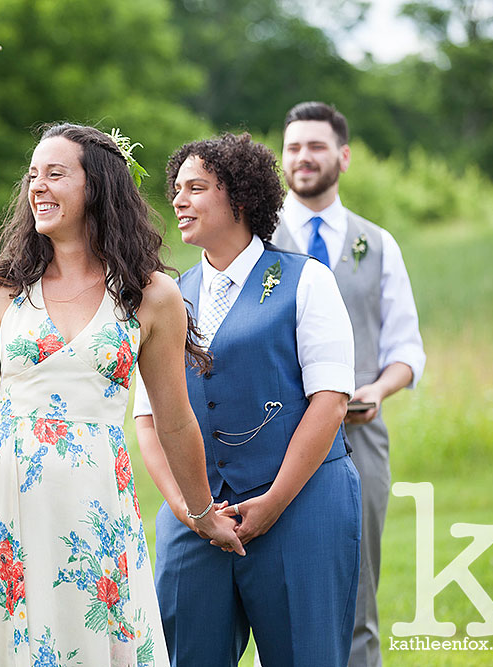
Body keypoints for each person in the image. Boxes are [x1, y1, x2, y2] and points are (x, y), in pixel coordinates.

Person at [0, 123, 242, 667]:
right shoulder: (0, 292)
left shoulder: (151, 297)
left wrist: (202, 510)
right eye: (32, 176)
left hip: (96, 507)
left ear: (95, 186)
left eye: (55, 174)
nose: (37, 188)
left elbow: (174, 422)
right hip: (8, 505)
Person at [132, 133, 361, 666]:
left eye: (196, 188)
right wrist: (189, 510)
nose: (179, 201)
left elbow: (329, 402)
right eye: (176, 189)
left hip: (302, 507)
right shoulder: (165, 296)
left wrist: (273, 502)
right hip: (195, 520)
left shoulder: (307, 281)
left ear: (239, 198)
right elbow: (147, 420)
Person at [273, 101, 426, 667]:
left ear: (343, 155)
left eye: (315, 146)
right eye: (293, 147)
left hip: (360, 440)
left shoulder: (378, 244)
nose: (303, 157)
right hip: (275, 438)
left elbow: (406, 350)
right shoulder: (256, 239)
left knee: (357, 592)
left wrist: (378, 392)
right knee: (279, 592)